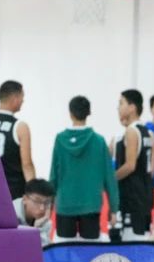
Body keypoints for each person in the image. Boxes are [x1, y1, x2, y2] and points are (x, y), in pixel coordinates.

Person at [50, 96, 118, 242]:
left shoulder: (60, 139)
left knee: (65, 250)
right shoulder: (99, 141)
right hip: (91, 204)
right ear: (89, 113)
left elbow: (53, 175)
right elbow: (109, 177)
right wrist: (113, 208)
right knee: (89, 251)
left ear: (70, 113)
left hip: (65, 203)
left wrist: (48, 206)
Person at [112, 89, 154, 241]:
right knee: (142, 241)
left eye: (121, 103)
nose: (118, 107)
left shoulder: (131, 131)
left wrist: (110, 180)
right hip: (146, 198)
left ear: (132, 107)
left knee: (128, 245)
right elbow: (152, 170)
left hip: (131, 200)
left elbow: (130, 166)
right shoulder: (150, 134)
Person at [0, 80, 35, 201]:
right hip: (14, 192)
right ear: (15, 98)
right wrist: (34, 192)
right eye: (22, 97)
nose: (23, 101)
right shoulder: (20, 127)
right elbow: (27, 165)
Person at [15, 178, 54, 245]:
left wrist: (39, 228)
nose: (42, 208)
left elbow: (44, 247)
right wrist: (36, 230)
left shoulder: (45, 219)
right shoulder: (11, 217)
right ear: (25, 199)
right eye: (37, 201)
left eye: (47, 202)